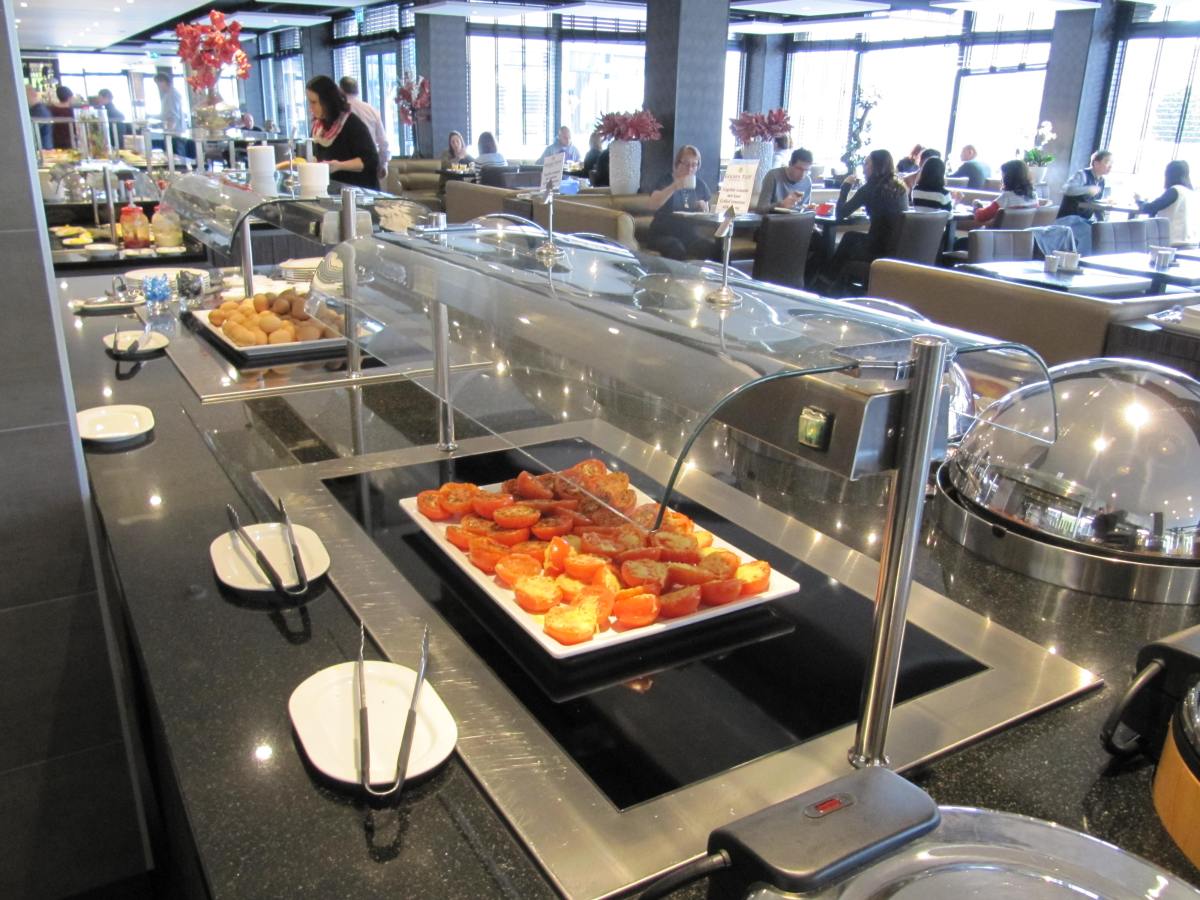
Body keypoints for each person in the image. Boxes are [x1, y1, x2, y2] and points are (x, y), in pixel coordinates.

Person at [823, 148, 910, 286]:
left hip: (877, 250)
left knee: (849, 239)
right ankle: (832, 281)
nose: (863, 168)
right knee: (851, 238)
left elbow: (840, 214)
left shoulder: (870, 188)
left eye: (866, 163)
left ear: (876, 166)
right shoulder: (901, 188)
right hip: (896, 249)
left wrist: (845, 186)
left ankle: (827, 281)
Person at [302, 75, 379, 190]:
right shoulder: (318, 127)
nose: (310, 108)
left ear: (327, 101)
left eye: (314, 102)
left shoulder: (351, 124)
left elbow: (370, 160)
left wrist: (339, 166)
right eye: (309, 102)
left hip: (358, 190)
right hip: (332, 190)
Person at [645, 145, 711, 259]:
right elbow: (652, 205)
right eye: (686, 164)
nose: (690, 169)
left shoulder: (700, 185)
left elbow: (707, 210)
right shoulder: (665, 180)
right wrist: (674, 186)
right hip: (662, 234)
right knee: (676, 248)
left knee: (714, 249)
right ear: (677, 163)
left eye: (694, 165)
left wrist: (704, 207)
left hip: (688, 236)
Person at [339, 76, 389, 183]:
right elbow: (383, 142)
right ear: (357, 90)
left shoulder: (338, 111)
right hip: (369, 163)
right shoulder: (371, 110)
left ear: (340, 90)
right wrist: (383, 165)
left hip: (345, 167)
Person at [1136, 160, 1197, 247]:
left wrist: (1139, 201)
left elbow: (1150, 208)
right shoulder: (1191, 193)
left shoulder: (1175, 190)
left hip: (1174, 242)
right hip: (1192, 242)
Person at [972, 159, 1038, 225]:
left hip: (1001, 231)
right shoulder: (1033, 196)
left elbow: (981, 216)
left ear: (1008, 177)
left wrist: (977, 207)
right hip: (1025, 231)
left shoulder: (1007, 197)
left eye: (1003, 175)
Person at [1059, 150, 1113, 221]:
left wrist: (1102, 223)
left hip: (1084, 220)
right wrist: (1088, 189)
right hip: (1069, 219)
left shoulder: (1102, 181)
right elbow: (1066, 190)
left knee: (1101, 228)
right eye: (1107, 162)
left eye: (1112, 163)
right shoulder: (1082, 174)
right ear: (1096, 163)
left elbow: (1096, 205)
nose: (1111, 166)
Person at [756, 147, 813, 213]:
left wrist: (808, 209)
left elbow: (803, 210)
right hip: (774, 219)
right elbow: (760, 209)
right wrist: (781, 205)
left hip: (797, 219)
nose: (802, 174)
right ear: (790, 164)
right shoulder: (773, 176)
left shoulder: (807, 181)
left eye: (806, 170)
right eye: (799, 169)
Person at [49, 85, 76, 149]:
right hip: (69, 141)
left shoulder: (51, 109)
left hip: (54, 140)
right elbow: (75, 128)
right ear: (69, 97)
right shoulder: (71, 111)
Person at [26, 84, 52, 149]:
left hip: (42, 149)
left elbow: (29, 131)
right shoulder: (37, 109)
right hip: (44, 147)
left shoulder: (39, 111)